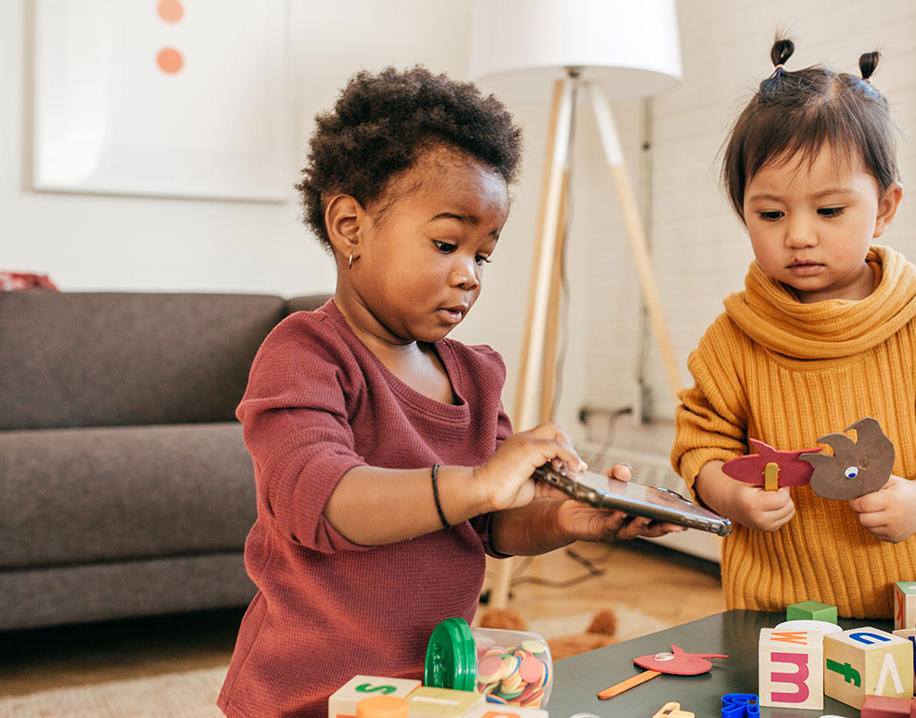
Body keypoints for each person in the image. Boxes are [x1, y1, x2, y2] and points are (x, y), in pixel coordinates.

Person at [217, 66, 680, 718]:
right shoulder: (305, 354)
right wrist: (478, 483)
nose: (469, 276)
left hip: (436, 687)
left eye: (483, 254)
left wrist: (566, 517)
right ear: (351, 226)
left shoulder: (476, 374)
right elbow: (315, 500)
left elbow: (494, 524)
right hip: (306, 695)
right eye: (445, 244)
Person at [670, 39, 916, 619]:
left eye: (829, 211)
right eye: (771, 214)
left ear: (884, 209)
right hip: (776, 609)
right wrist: (731, 496)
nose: (799, 236)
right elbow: (699, 447)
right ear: (743, 212)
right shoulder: (732, 339)